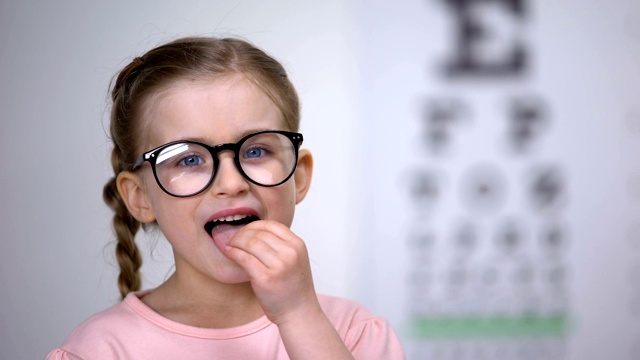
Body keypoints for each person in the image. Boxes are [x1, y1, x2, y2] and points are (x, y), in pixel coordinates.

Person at [46, 36, 405, 359]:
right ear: (140, 197)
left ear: (298, 176)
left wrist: (298, 316)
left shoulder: (354, 333)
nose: (231, 183)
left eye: (256, 151)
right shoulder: (99, 351)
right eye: (189, 159)